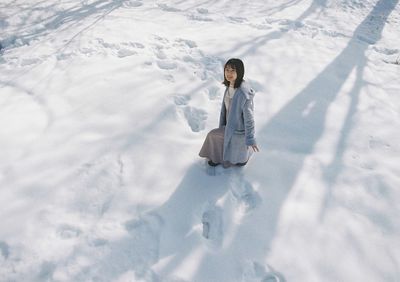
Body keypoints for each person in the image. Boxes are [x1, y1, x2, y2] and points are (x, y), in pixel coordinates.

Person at [199, 58, 259, 168]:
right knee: (216, 136)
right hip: (229, 127)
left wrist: (250, 138)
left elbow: (249, 118)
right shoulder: (229, 87)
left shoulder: (243, 94)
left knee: (212, 135)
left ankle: (231, 158)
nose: (229, 73)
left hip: (238, 132)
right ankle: (219, 157)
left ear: (239, 72)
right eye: (227, 70)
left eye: (232, 71)